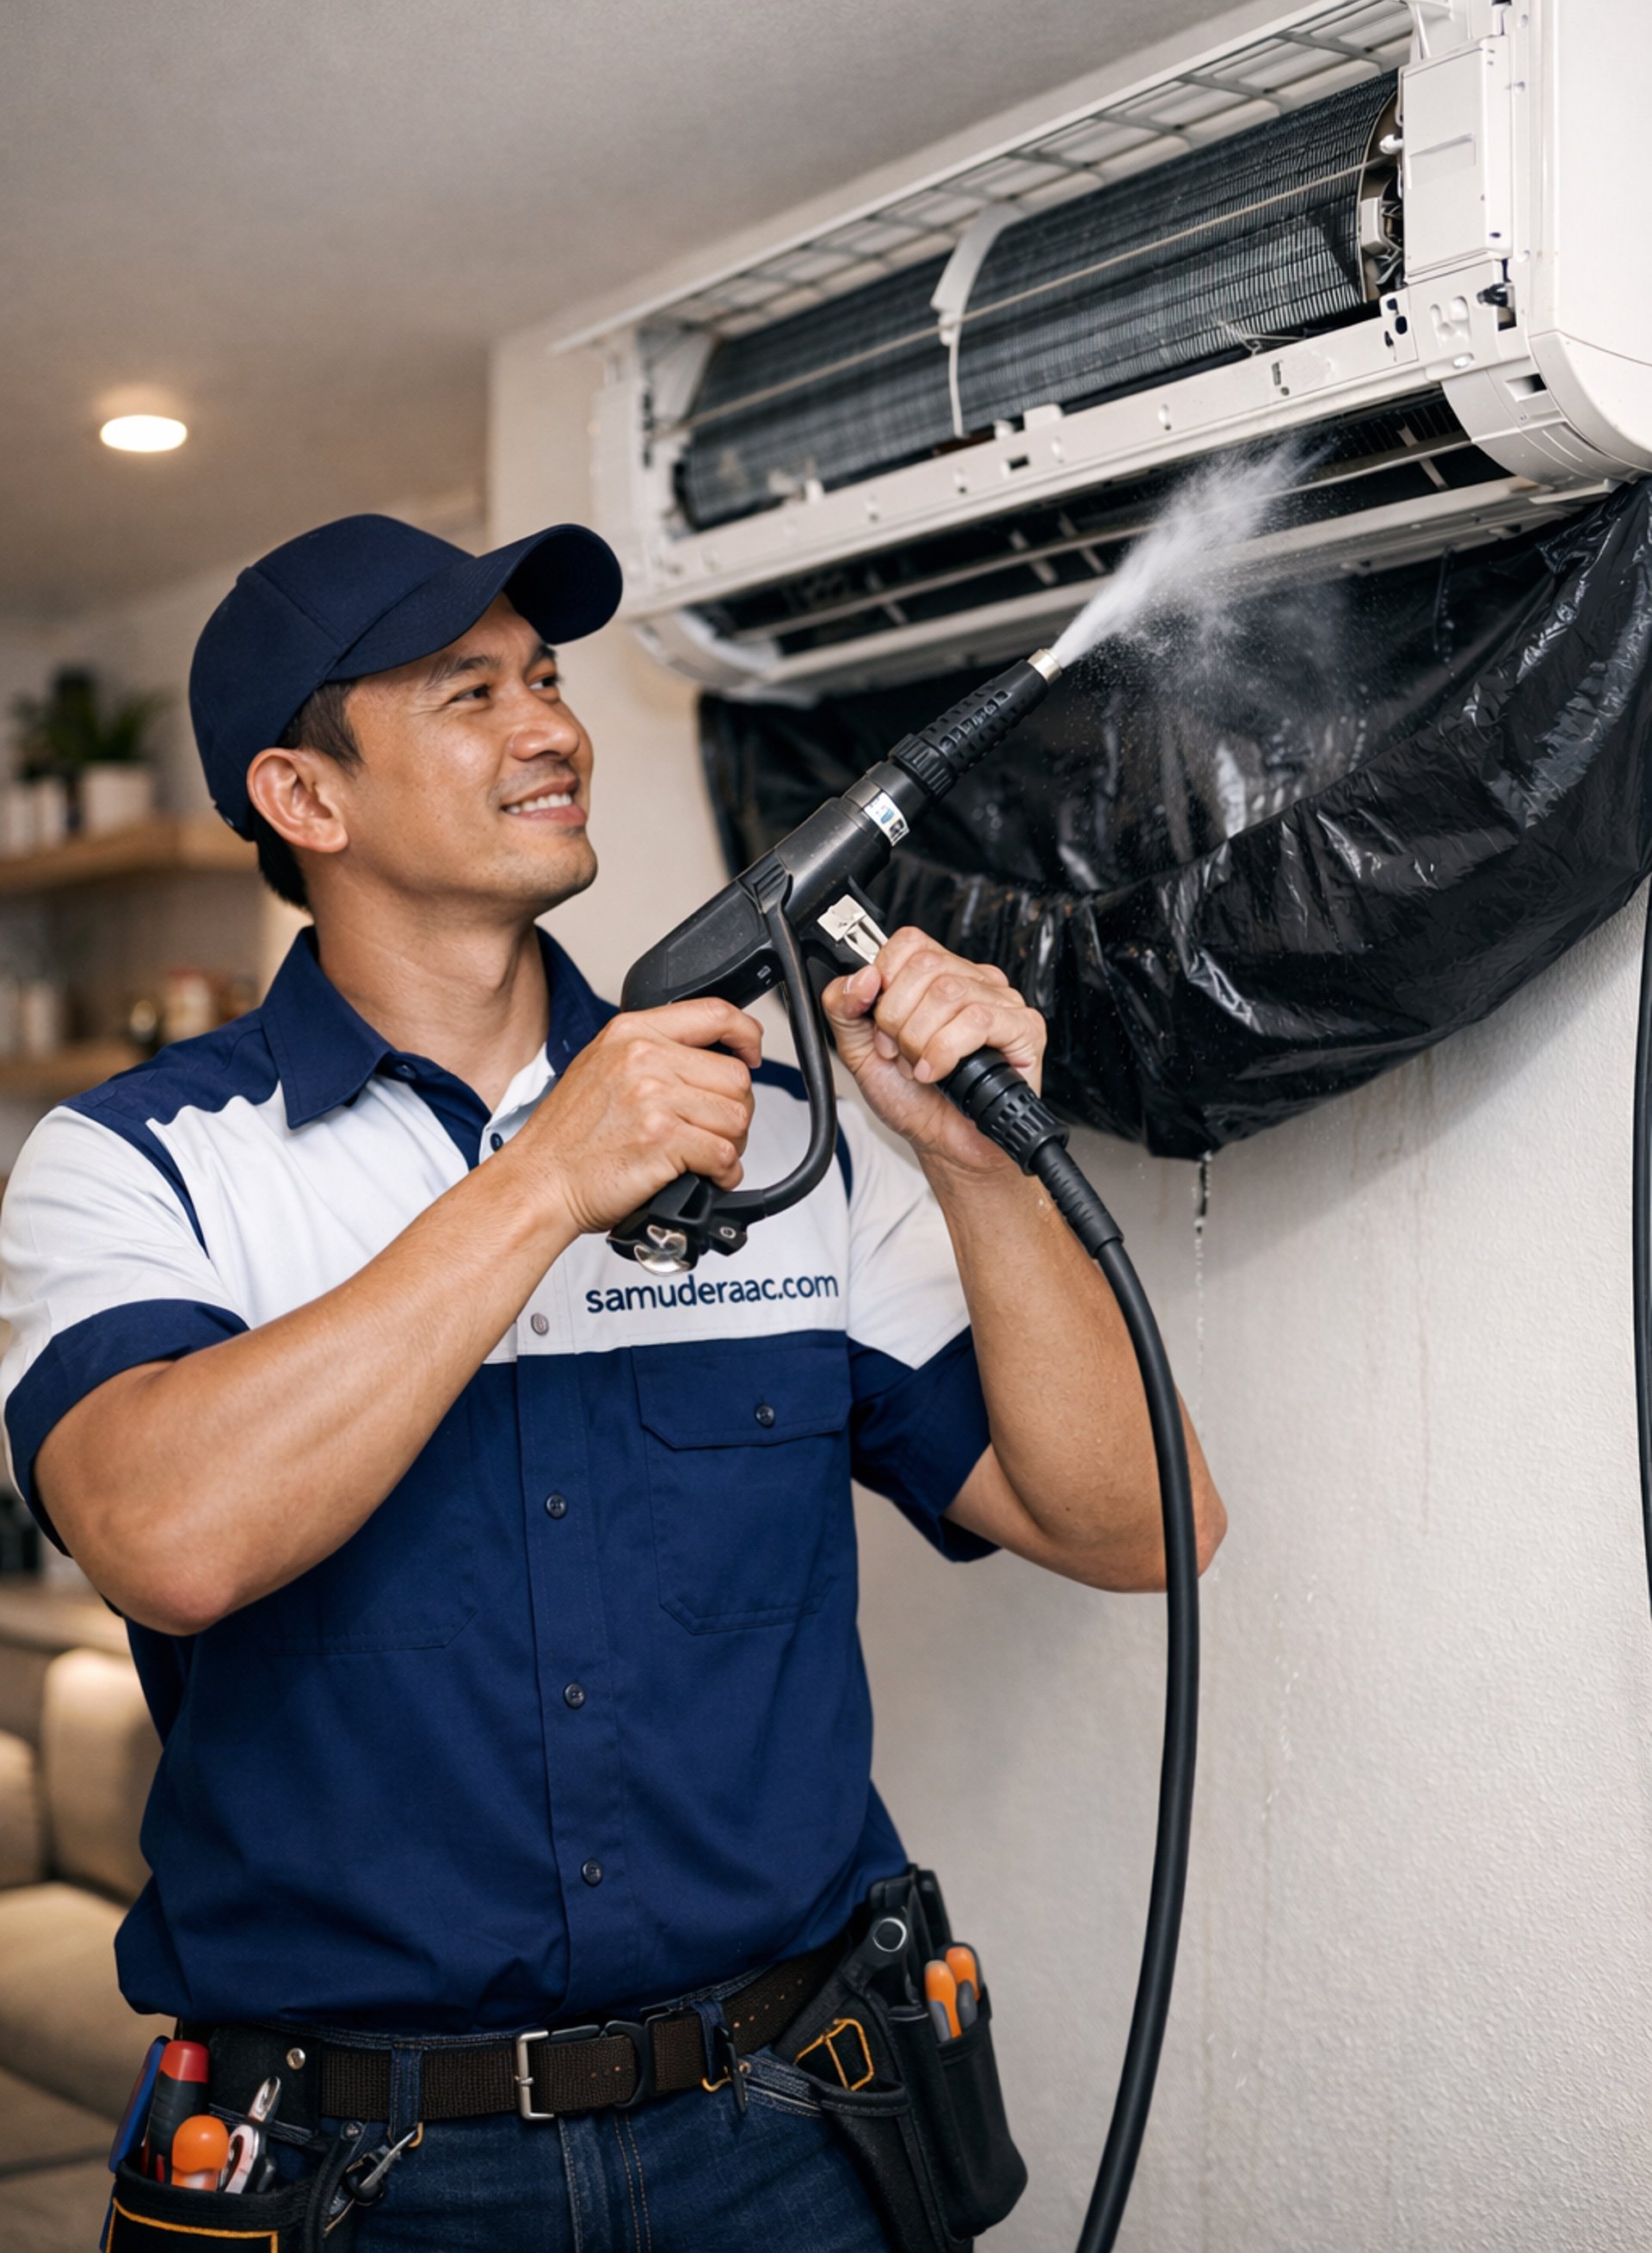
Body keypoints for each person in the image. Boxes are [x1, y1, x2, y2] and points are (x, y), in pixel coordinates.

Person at [0, 513, 1225, 2250]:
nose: (553, 726)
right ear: (305, 798)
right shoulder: (142, 1165)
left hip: (797, 2130)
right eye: (466, 691)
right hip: (362, 2175)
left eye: (550, 680)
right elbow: (167, 1540)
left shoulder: (785, 1139)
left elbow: (1137, 1530)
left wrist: (974, 1171)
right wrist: (543, 1183)